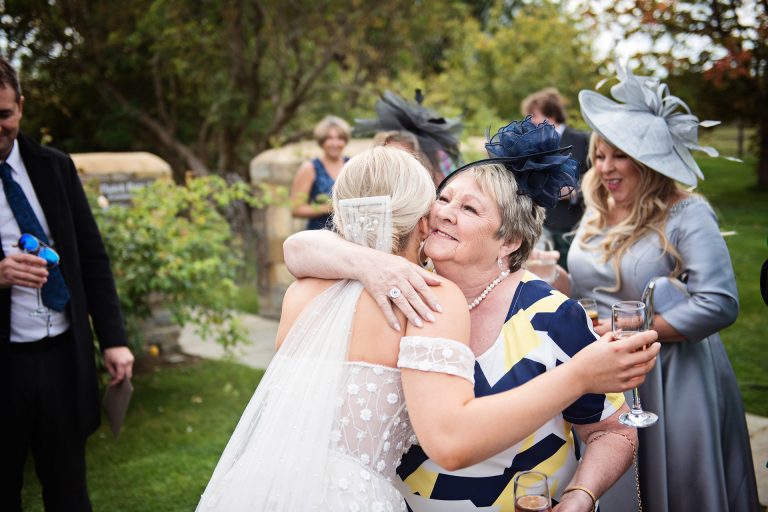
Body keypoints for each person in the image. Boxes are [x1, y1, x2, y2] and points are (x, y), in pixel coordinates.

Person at [197, 146, 658, 511]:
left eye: (470, 209)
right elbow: (299, 246)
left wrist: (581, 496)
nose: (444, 213)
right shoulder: (394, 284)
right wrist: (370, 262)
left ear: (510, 241)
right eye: (443, 198)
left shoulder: (554, 317)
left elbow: (613, 431)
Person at [550, 63, 760, 511]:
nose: (604, 167)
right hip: (600, 365)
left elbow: (719, 303)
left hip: (670, 375)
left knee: (672, 481)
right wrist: (552, 280)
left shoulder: (687, 213)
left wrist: (633, 326)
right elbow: (589, 284)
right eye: (600, 155)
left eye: (617, 155)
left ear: (646, 161)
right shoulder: (597, 209)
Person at [0, 58, 134, 511]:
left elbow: (92, 258)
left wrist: (114, 340)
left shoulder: (54, 166)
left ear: (20, 106)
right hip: (4, 368)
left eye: (3, 115)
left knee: (70, 491)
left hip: (62, 356)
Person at [522, 88, 590, 268]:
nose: (529, 121)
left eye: (533, 115)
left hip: (573, 223)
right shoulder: (534, 144)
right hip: (541, 224)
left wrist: (575, 191)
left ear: (550, 116)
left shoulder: (582, 140)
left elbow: (596, 177)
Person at [355, 90, 463, 186]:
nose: (399, 158)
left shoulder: (436, 161)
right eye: (391, 152)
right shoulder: (375, 173)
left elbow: (449, 187)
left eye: (405, 153)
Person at [290, 115, 351, 230]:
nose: (335, 143)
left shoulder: (352, 165)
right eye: (329, 138)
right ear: (322, 141)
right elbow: (296, 209)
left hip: (348, 233)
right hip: (319, 234)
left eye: (340, 138)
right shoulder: (310, 168)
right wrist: (330, 207)